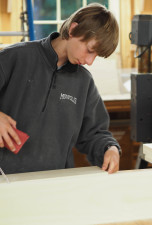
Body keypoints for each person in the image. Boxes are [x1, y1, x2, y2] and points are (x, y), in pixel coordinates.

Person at [0, 3, 121, 174]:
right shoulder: (15, 57)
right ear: (73, 30)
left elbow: (95, 133)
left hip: (55, 183)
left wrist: (110, 148)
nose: (90, 61)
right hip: (5, 181)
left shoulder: (84, 82)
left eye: (96, 56)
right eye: (89, 50)